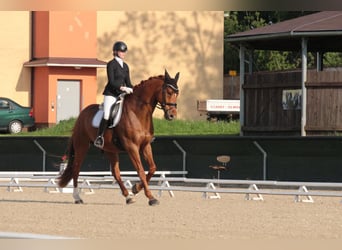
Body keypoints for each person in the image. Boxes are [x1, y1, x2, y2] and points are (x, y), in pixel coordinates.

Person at [94, 41, 134, 149]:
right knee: (107, 114)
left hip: (121, 95)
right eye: (121, 51)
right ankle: (99, 137)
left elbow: (128, 82)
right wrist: (122, 88)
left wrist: (133, 89)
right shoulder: (111, 64)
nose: (123, 53)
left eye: (124, 51)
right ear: (116, 52)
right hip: (111, 94)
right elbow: (112, 81)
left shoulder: (125, 66)